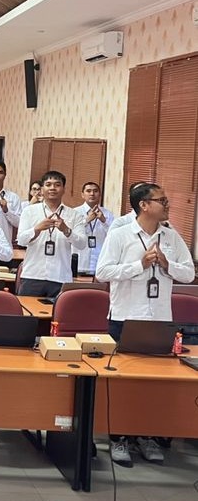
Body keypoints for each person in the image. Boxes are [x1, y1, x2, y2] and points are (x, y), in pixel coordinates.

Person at [96, 183, 194, 467]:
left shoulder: (171, 236)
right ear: (144, 205)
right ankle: (119, 437)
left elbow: (188, 274)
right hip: (126, 318)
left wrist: (167, 265)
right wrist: (139, 265)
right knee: (123, 383)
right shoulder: (120, 235)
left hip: (160, 320)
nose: (168, 204)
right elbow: (103, 272)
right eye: (162, 200)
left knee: (154, 385)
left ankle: (145, 435)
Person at [16, 171, 86, 298]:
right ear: (42, 189)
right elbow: (21, 240)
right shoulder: (29, 211)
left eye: (57, 185)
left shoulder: (74, 215)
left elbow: (82, 244)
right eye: (48, 184)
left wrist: (67, 230)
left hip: (60, 276)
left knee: (58, 311)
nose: (52, 188)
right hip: (33, 275)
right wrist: (37, 229)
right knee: (27, 310)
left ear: (64, 189)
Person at [72, 182, 114, 276]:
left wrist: (103, 221)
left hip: (99, 264)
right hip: (80, 263)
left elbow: (114, 236)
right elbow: (71, 234)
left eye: (95, 191)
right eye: (88, 191)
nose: (92, 194)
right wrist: (86, 221)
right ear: (82, 194)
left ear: (100, 194)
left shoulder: (108, 214)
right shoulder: (74, 213)